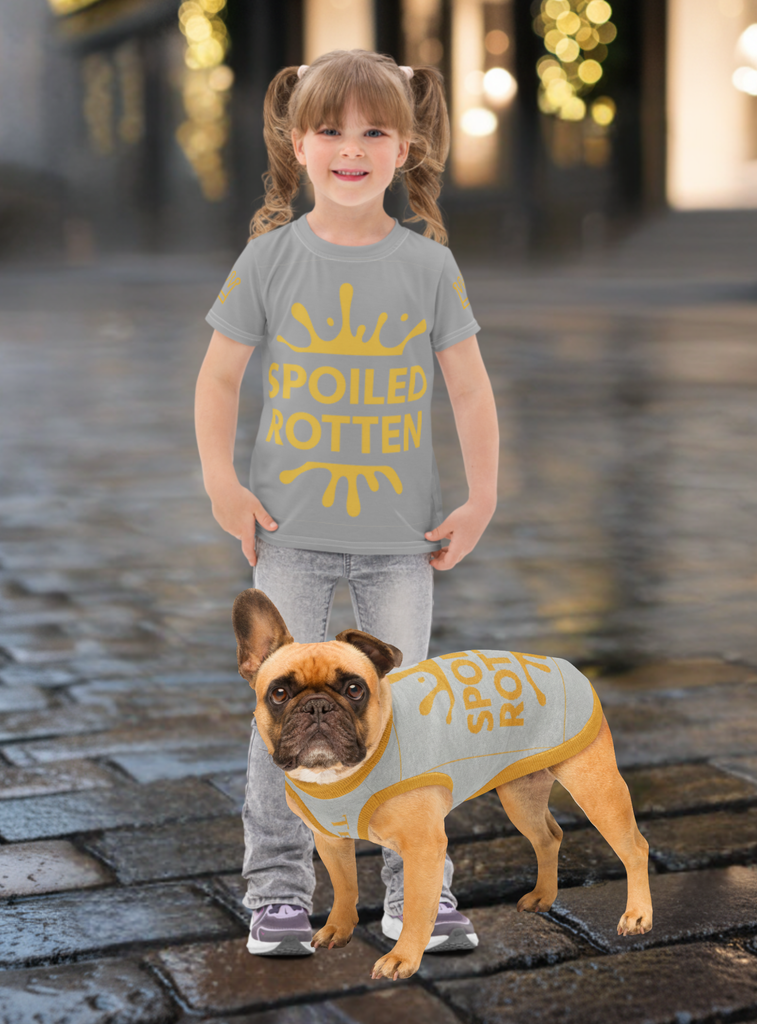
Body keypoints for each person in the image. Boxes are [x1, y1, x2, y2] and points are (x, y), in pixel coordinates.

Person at [194, 49, 499, 957]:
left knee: (407, 719)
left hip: (402, 541)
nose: (352, 149)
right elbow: (217, 381)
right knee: (277, 729)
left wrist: (481, 497)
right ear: (299, 142)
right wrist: (222, 481)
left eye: (374, 132)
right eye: (331, 131)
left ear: (405, 149)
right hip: (287, 535)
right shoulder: (269, 259)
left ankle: (421, 891)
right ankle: (278, 893)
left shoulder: (429, 267)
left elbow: (472, 392)